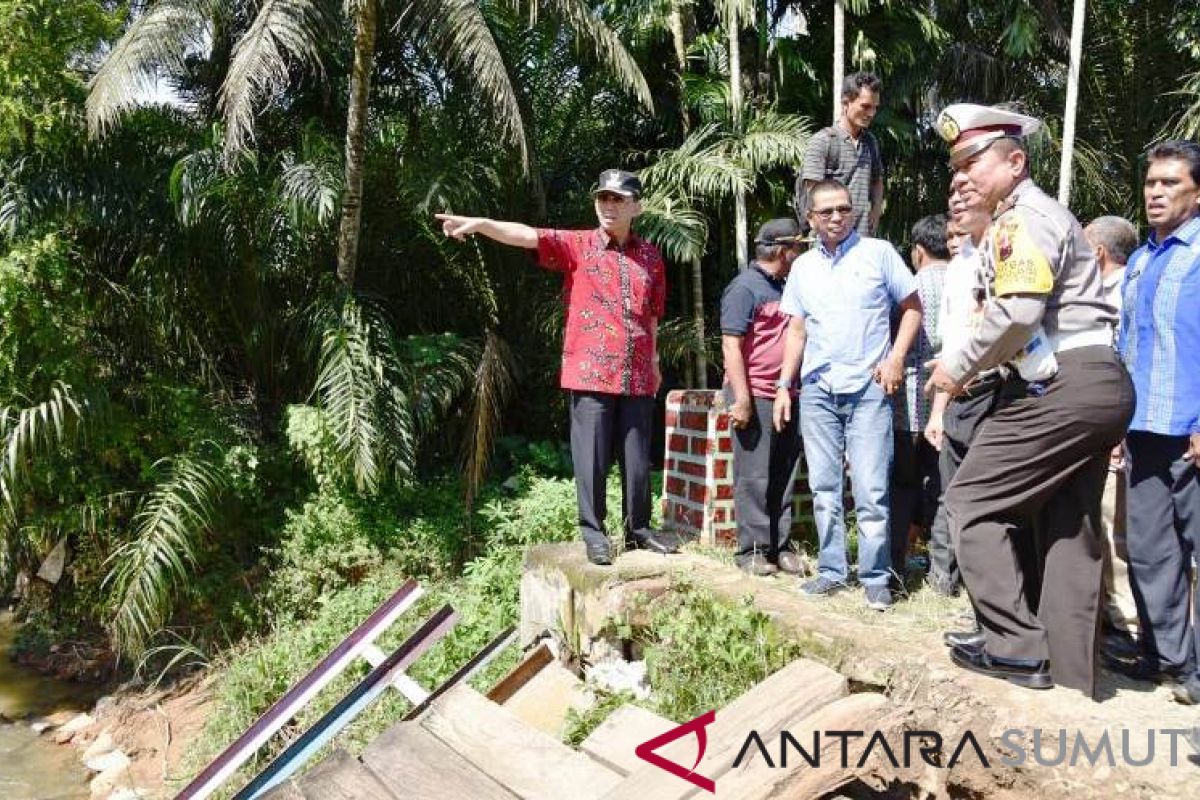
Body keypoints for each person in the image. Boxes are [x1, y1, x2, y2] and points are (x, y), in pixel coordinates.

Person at [926, 104, 1134, 696]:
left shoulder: (1022, 218)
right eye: (956, 166)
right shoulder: (1029, 218)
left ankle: (1015, 648)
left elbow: (1017, 312)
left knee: (970, 501)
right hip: (1091, 381)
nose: (961, 175)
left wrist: (955, 371)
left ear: (1015, 162)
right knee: (1069, 526)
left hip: (1063, 382)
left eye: (972, 161)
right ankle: (1070, 675)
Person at [435, 169, 681, 566]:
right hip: (590, 371)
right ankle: (594, 531)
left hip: (635, 372)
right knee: (593, 457)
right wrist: (480, 225)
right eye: (603, 198)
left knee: (636, 457)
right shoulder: (579, 245)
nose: (609, 206)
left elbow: (652, 313)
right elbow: (527, 234)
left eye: (618, 199)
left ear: (637, 206)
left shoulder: (650, 256)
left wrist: (653, 363)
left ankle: (638, 530)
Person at [772, 179, 923, 611]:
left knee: (872, 488)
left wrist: (895, 359)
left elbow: (912, 307)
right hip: (819, 389)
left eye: (843, 209)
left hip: (868, 389)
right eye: (826, 212)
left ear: (853, 211)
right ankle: (833, 571)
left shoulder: (878, 254)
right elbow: (797, 331)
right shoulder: (802, 268)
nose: (836, 217)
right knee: (823, 486)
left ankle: (875, 577)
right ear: (811, 218)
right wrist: (785, 386)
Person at [1116, 140, 1200, 706]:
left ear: (1197, 192)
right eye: (1151, 183)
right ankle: (1167, 656)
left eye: (1170, 183)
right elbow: (1126, 344)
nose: (1156, 192)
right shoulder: (1142, 258)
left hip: (1191, 429)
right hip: (1143, 427)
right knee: (1148, 547)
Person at [720, 219, 808, 576]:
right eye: (798, 247)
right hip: (755, 392)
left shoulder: (789, 286)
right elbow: (731, 345)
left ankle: (780, 546)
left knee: (784, 472)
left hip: (787, 392)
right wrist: (741, 398)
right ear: (783, 250)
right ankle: (752, 550)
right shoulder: (744, 288)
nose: (801, 253)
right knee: (754, 475)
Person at [1082, 215, 1141, 652]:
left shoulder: (1124, 293)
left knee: (1113, 524)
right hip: (1102, 422)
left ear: (1098, 252)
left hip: (1119, 425)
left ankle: (1128, 625)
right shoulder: (1104, 291)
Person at [889, 214, 948, 585]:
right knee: (943, 485)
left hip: (909, 403)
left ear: (918, 251)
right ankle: (943, 570)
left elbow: (895, 341)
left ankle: (895, 561)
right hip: (950, 402)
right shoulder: (968, 279)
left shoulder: (911, 287)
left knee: (902, 484)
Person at [796, 72, 885, 235]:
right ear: (846, 103)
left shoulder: (870, 142)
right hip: (828, 241)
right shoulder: (823, 141)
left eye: (874, 108)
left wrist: (876, 211)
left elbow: (877, 180)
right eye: (865, 106)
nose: (871, 113)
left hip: (861, 239)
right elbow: (813, 193)